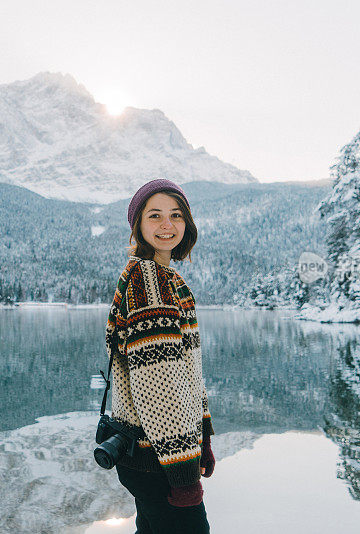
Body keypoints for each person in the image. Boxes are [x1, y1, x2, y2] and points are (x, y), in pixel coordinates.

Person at [104, 178, 215, 534]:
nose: (168, 225)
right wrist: (183, 474)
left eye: (176, 215)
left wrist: (203, 435)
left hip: (149, 454)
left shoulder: (160, 276)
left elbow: (186, 376)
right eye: (155, 216)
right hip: (159, 458)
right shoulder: (150, 284)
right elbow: (159, 385)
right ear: (138, 226)